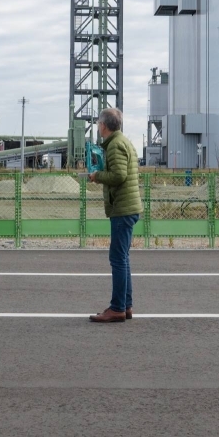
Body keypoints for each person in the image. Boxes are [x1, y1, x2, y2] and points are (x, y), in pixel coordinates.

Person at [86, 107, 141, 323]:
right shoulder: (123, 141)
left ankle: (117, 307)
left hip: (122, 207)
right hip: (128, 206)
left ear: (104, 125)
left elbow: (119, 175)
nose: (98, 127)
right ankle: (125, 306)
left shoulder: (115, 145)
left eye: (99, 123)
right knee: (123, 259)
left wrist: (97, 176)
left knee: (117, 259)